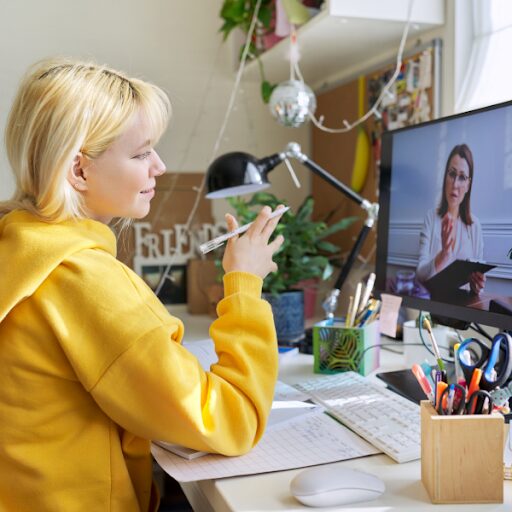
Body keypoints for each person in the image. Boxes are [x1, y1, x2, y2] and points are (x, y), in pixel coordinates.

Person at [0, 58, 285, 511]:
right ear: (78, 171)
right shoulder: (83, 280)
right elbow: (234, 420)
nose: (160, 165)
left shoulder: (17, 248)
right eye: (140, 154)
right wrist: (244, 283)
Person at [416, 143, 485, 294]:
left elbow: (477, 290)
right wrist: (444, 254)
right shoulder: (430, 218)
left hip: (462, 311)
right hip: (432, 306)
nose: (455, 184)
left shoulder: (475, 226)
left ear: (468, 185)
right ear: (445, 176)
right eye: (452, 174)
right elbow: (420, 275)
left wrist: (477, 286)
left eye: (462, 177)